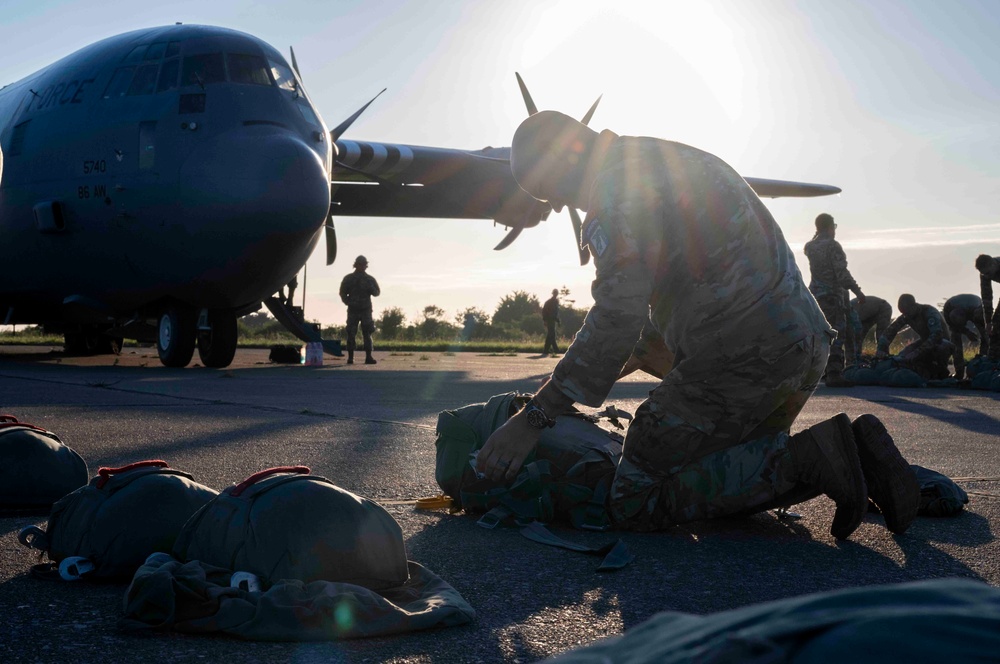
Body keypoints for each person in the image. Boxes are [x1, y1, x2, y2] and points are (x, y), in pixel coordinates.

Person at [476, 111, 918, 538]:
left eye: (545, 189)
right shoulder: (669, 158)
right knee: (723, 469)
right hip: (801, 346)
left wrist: (535, 416)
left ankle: (810, 457)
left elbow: (618, 314)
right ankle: (855, 453)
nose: (554, 205)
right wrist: (578, 382)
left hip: (742, 354)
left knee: (633, 498)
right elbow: (652, 320)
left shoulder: (615, 189)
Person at [803, 214, 866, 387]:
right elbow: (841, 273)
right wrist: (858, 292)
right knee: (836, 335)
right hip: (832, 296)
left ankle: (816, 372)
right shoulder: (833, 246)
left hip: (815, 297)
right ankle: (834, 373)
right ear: (831, 226)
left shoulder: (809, 246)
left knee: (819, 335)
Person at [876, 294, 953, 379]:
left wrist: (916, 353)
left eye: (907, 312)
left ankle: (940, 370)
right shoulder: (906, 315)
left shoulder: (929, 312)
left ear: (913, 306)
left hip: (940, 342)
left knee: (941, 347)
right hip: (925, 342)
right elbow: (890, 331)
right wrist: (881, 349)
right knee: (902, 357)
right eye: (903, 313)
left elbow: (936, 336)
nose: (906, 315)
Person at [339, 255, 380, 365]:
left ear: (366, 265)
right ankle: (351, 357)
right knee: (351, 332)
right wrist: (347, 302)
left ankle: (368, 356)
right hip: (353, 310)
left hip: (366, 310)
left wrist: (369, 287)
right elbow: (342, 292)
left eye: (364, 264)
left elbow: (377, 293)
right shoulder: (348, 278)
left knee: (367, 333)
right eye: (360, 264)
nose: (362, 266)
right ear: (356, 265)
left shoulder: (370, 279)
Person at [943, 293, 988, 380]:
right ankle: (959, 372)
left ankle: (983, 365)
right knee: (955, 341)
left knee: (986, 336)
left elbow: (986, 330)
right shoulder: (947, 311)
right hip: (957, 310)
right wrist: (966, 332)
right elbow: (954, 328)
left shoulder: (976, 311)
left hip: (975, 308)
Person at [847, 294, 893, 363]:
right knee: (858, 337)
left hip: (883, 308)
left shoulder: (850, 311)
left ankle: (884, 359)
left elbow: (855, 331)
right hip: (869, 313)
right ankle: (856, 359)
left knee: (880, 336)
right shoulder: (848, 310)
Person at [975, 254, 1000, 360]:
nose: (988, 276)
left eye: (989, 273)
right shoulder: (985, 274)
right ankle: (993, 359)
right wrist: (988, 322)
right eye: (985, 274)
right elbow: (987, 298)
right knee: (996, 325)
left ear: (993, 264)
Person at [542, 289, 561, 355]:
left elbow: (556, 313)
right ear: (553, 293)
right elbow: (544, 311)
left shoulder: (556, 302)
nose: (556, 294)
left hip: (553, 320)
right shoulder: (548, 302)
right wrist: (545, 320)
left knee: (550, 335)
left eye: (556, 293)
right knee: (552, 334)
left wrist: (558, 321)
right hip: (549, 320)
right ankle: (556, 349)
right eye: (555, 293)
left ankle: (546, 350)